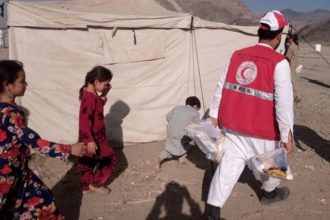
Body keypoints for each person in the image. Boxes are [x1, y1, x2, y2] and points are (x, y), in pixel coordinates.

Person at [206, 10, 294, 220]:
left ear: (259, 32)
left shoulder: (238, 54)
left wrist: (215, 114)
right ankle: (269, 193)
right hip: (264, 130)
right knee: (273, 165)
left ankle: (212, 211)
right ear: (279, 36)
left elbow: (221, 85)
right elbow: (284, 104)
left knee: (228, 167)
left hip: (233, 125)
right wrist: (286, 135)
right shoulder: (279, 62)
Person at [0, 60, 86, 219]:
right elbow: (33, 142)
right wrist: (68, 149)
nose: (26, 84)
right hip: (6, 176)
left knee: (40, 201)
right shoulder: (8, 113)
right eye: (22, 81)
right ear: (8, 85)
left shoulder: (6, 109)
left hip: (19, 173)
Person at [77, 66, 117, 194]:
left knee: (87, 160)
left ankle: (86, 186)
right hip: (93, 137)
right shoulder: (89, 97)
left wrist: (104, 94)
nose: (107, 86)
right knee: (109, 159)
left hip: (91, 136)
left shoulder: (91, 94)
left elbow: (97, 109)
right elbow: (84, 120)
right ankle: (96, 183)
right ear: (96, 82)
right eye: (106, 84)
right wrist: (90, 140)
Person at [156, 96, 200, 171]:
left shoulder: (177, 107)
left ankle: (161, 159)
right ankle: (180, 161)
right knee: (187, 145)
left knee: (170, 147)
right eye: (198, 108)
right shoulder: (195, 113)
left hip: (170, 131)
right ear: (195, 106)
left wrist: (174, 124)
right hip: (181, 135)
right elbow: (195, 127)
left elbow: (167, 116)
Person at [286, 33, 301, 103]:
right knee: (294, 80)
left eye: (288, 38)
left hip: (291, 65)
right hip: (295, 64)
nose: (287, 40)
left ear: (291, 39)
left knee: (293, 81)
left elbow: (287, 57)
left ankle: (297, 96)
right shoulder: (296, 45)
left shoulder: (291, 47)